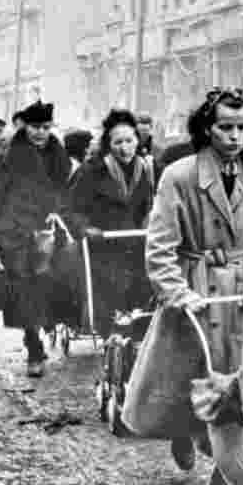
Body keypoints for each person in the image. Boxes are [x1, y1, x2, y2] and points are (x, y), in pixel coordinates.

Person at [138, 86, 243, 479]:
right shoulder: (179, 176)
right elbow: (160, 245)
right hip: (196, 287)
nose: (235, 136)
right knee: (193, 372)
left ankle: (230, 463)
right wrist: (177, 292)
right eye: (225, 127)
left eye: (242, 127)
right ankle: (184, 431)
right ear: (207, 129)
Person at [0, 100, 72, 377]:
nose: (40, 133)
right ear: (25, 126)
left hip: (46, 228)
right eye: (35, 127)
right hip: (14, 230)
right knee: (22, 287)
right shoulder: (11, 154)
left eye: (45, 127)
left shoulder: (58, 154)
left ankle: (42, 329)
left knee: (45, 282)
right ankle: (33, 348)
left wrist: (59, 211)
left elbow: (66, 190)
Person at [68, 109, 154, 335]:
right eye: (118, 142)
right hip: (102, 245)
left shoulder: (146, 169)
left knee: (144, 288)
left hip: (136, 243)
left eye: (129, 141)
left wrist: (149, 221)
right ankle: (107, 334)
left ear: (137, 140)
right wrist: (85, 228)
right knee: (105, 290)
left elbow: (150, 204)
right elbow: (71, 209)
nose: (124, 148)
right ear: (109, 143)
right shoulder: (93, 171)